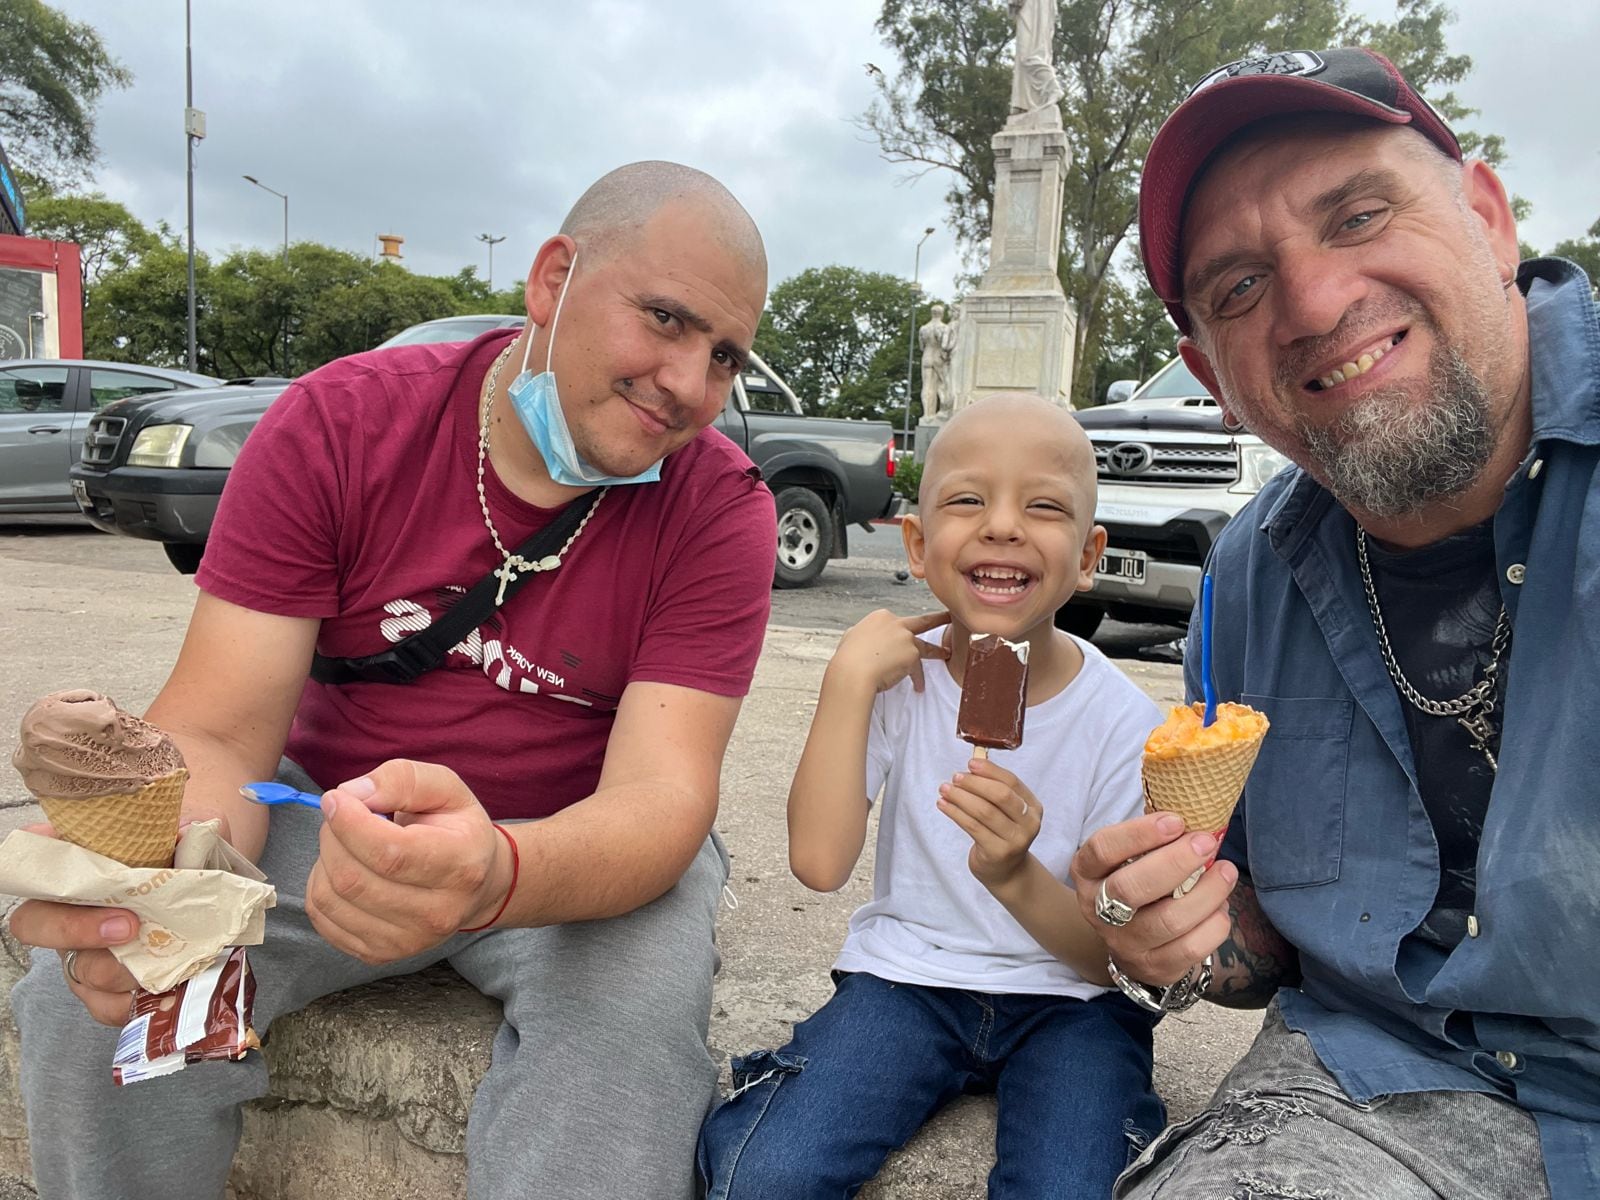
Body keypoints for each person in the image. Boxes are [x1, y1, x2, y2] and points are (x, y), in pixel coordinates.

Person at [7, 161, 777, 1200]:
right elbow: (226, 734)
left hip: (574, 848)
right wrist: (157, 882)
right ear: (551, 279)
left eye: (723, 355)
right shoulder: (342, 426)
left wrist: (495, 873)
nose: (690, 383)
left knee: (626, 1051)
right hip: (323, 813)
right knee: (91, 1005)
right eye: (666, 320)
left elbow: (662, 796)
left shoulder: (717, 508)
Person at [1065, 48, 1600, 1200]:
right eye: (1240, 287)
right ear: (1211, 372)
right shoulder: (1249, 573)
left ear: (1488, 221)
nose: (1311, 302)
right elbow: (1267, 944)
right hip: (1375, 1095)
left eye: (1357, 214)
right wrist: (1176, 931)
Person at [699, 393, 1166, 1198]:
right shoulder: (897, 681)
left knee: (1070, 1184)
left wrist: (1015, 874)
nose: (1004, 525)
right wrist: (846, 684)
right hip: (906, 983)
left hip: (1075, 1004)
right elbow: (817, 863)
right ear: (917, 544)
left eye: (1044, 506)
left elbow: (1117, 961)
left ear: (1088, 556)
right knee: (760, 1173)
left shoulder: (1125, 722)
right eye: (967, 500)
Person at [918, 302, 955, 420]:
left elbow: (921, 347)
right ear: (942, 314)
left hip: (926, 356)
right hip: (939, 357)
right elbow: (944, 345)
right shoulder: (943, 328)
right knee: (943, 384)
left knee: (927, 386)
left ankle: (927, 414)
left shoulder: (924, 328)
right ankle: (943, 410)